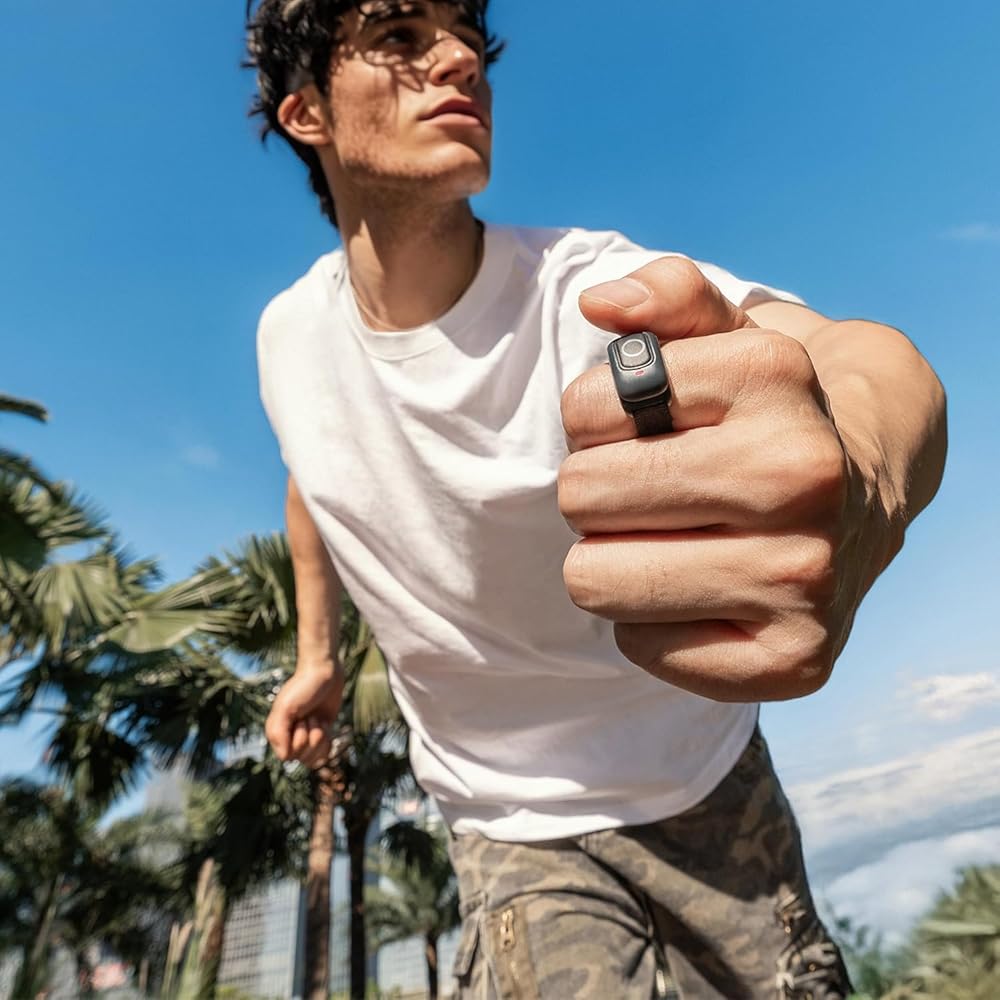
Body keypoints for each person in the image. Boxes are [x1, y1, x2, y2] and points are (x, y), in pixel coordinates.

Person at [246, 2, 947, 996]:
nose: (459, 58)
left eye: (465, 35)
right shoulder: (286, 337)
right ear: (307, 112)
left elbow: (856, 354)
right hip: (503, 814)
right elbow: (312, 471)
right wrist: (317, 659)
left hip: (700, 768)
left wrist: (865, 472)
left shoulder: (586, 288)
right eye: (399, 35)